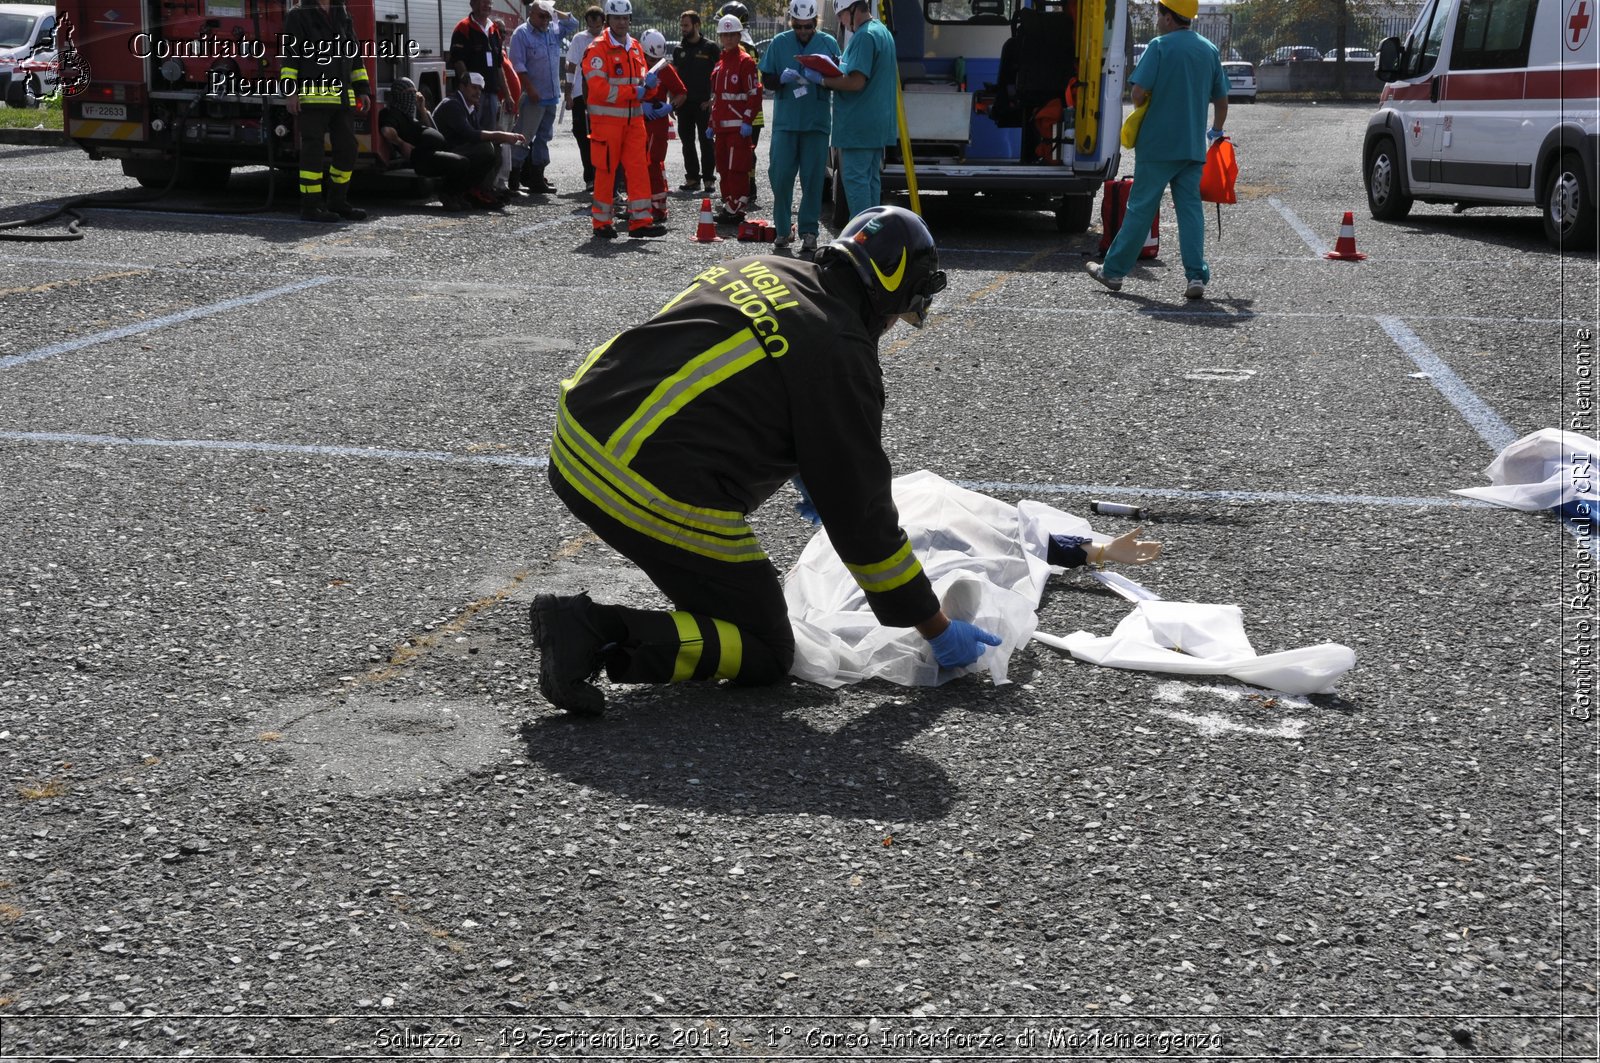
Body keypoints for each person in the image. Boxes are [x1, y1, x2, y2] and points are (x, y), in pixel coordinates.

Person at [530, 206, 1004, 716]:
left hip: (577, 431)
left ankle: (681, 618)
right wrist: (934, 627)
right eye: (898, 314)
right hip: (641, 480)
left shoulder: (760, 266)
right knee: (765, 648)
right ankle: (591, 633)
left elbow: (731, 373)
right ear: (888, 296)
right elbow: (863, 523)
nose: (890, 328)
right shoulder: (840, 352)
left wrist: (806, 464)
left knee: (722, 604)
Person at [1086, 0, 1227, 301]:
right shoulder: (1209, 50)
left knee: (1140, 209)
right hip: (1192, 146)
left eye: (1159, 14)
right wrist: (1215, 131)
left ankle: (1113, 272)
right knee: (1190, 211)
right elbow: (1222, 99)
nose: (1157, 19)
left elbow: (1137, 92)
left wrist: (1147, 106)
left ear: (1167, 17)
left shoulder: (1159, 46)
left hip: (1157, 145)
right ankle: (1195, 277)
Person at [801, 0, 896, 221]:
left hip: (858, 125)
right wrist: (840, 65)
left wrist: (823, 79)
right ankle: (874, 235)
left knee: (856, 182)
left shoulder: (864, 36)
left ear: (852, 10)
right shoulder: (882, 32)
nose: (842, 23)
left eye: (842, 16)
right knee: (871, 181)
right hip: (875, 124)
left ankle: (863, 238)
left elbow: (856, 82)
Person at [279, 0, 371, 223]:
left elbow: (353, 52)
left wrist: (362, 88)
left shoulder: (342, 10)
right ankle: (310, 206)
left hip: (341, 96)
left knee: (348, 148)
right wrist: (290, 92)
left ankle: (337, 201)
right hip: (312, 96)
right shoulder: (298, 14)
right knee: (313, 151)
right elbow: (290, 56)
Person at [759, 0, 838, 254]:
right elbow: (767, 78)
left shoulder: (828, 43)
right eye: (799, 27)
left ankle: (809, 231)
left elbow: (839, 78)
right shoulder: (780, 43)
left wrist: (821, 79)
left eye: (808, 27)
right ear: (792, 22)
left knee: (813, 180)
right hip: (786, 123)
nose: (803, 31)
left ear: (816, 23)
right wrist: (780, 79)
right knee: (780, 175)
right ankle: (783, 229)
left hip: (816, 123)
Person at [581, 0, 662, 239]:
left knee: (638, 170)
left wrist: (649, 89)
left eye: (625, 18)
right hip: (607, 124)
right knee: (606, 173)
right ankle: (601, 222)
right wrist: (634, 92)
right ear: (608, 20)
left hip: (634, 122)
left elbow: (641, 83)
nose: (622, 22)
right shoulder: (597, 48)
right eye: (617, 18)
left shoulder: (635, 47)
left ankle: (641, 222)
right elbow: (598, 88)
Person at [378, 77, 482, 212]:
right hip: (420, 156)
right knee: (461, 162)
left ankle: (458, 194)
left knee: (479, 158)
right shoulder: (393, 114)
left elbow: (433, 128)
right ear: (399, 95)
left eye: (414, 93)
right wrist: (401, 143)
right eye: (409, 93)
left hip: (435, 150)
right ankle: (448, 195)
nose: (412, 97)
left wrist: (422, 109)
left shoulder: (411, 116)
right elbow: (386, 130)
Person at [432, 72, 528, 207]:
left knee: (495, 149)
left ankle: (479, 190)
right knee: (486, 149)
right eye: (474, 87)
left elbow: (476, 133)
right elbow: (470, 135)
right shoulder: (453, 104)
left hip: (456, 148)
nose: (478, 92)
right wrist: (501, 135)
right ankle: (453, 192)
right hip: (443, 151)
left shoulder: (470, 106)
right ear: (462, 87)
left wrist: (501, 138)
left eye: (480, 89)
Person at [510, 0, 576, 194]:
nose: (546, 20)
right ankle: (513, 179)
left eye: (548, 16)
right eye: (542, 15)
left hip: (551, 95)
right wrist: (530, 89)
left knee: (544, 138)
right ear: (531, 13)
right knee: (524, 136)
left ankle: (537, 178)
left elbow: (573, 23)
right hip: (534, 96)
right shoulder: (521, 34)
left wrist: (554, 11)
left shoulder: (552, 30)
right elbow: (518, 65)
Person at [708, 12, 761, 224]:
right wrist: (711, 123)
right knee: (722, 167)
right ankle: (728, 204)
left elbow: (754, 94)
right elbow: (717, 97)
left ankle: (737, 207)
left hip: (738, 128)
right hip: (721, 128)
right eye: (725, 35)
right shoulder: (720, 63)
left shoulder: (745, 61)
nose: (728, 38)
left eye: (732, 34)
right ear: (720, 37)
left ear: (739, 36)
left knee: (737, 168)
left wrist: (748, 121)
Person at [639, 29, 688, 224]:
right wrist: (639, 103)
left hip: (657, 124)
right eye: (649, 58)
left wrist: (669, 106)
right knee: (635, 165)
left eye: (656, 58)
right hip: (636, 120)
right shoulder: (634, 64)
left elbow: (681, 93)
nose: (653, 62)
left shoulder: (665, 68)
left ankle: (658, 208)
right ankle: (639, 205)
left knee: (654, 163)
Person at [717, 1, 764, 204]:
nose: (727, 39)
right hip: (741, 116)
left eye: (730, 34)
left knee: (740, 160)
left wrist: (747, 117)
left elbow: (752, 87)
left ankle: (744, 194)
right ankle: (743, 193)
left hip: (744, 115)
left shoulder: (744, 51)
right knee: (737, 159)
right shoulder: (745, 46)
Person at [670, 10, 720, 193]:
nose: (683, 29)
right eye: (682, 25)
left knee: (707, 141)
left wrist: (714, 99)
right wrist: (671, 101)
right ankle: (692, 178)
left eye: (686, 25)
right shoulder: (678, 49)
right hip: (683, 104)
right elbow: (672, 77)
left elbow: (721, 74)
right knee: (687, 142)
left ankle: (709, 179)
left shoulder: (710, 47)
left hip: (704, 104)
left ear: (696, 25)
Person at [450, 0, 513, 131]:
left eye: (489, 2)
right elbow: (458, 61)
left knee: (490, 136)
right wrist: (469, 90)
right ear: (472, 4)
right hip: (473, 96)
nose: (487, 5)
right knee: (472, 134)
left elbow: (499, 66)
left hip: (492, 95)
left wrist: (507, 95)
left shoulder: (494, 30)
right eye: (482, 2)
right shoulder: (463, 28)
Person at [564, 5, 606, 192]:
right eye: (590, 26)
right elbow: (571, 66)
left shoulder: (609, 38)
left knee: (603, 135)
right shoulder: (579, 39)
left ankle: (606, 174)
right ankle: (590, 176)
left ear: (603, 23)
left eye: (597, 27)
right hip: (581, 93)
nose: (594, 30)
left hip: (603, 94)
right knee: (582, 133)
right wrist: (568, 93)